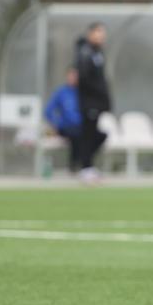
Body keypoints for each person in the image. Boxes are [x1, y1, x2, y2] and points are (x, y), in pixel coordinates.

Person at [75, 22, 111, 184]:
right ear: (90, 34)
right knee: (88, 134)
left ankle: (88, 166)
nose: (101, 36)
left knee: (94, 133)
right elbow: (85, 79)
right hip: (89, 102)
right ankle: (85, 168)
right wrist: (98, 94)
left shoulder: (98, 53)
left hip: (96, 102)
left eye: (102, 33)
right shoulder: (85, 53)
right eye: (98, 33)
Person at [44, 67, 83, 171]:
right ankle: (75, 165)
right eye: (71, 75)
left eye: (76, 75)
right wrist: (55, 125)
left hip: (81, 127)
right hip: (64, 127)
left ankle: (85, 165)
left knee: (91, 134)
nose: (73, 78)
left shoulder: (82, 92)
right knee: (76, 134)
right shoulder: (61, 93)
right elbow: (48, 111)